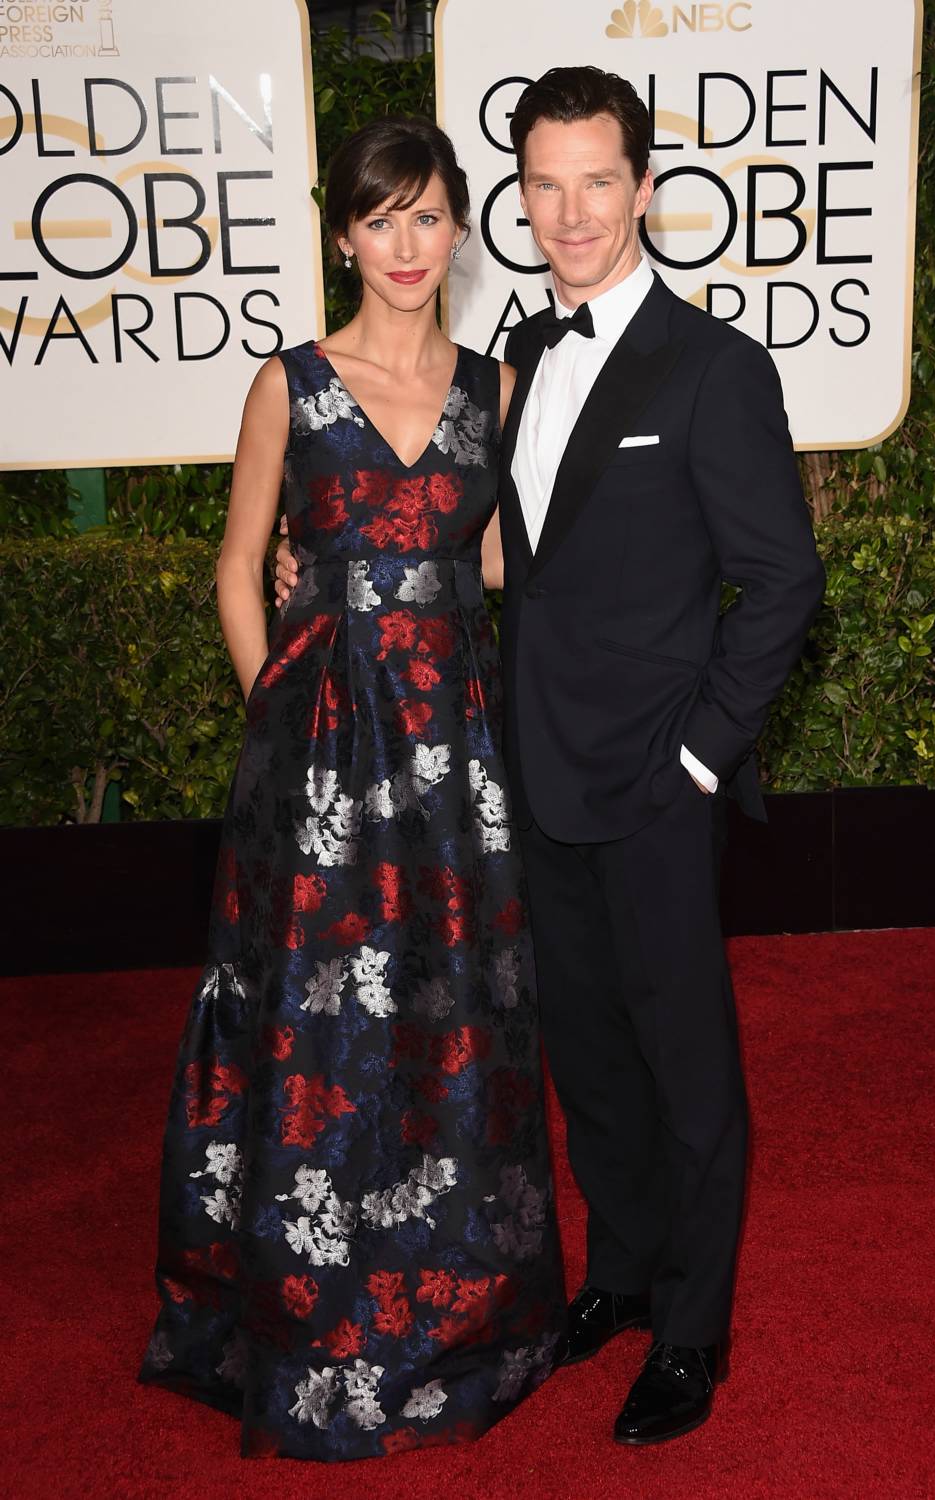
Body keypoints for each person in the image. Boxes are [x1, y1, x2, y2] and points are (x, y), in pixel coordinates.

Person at [277, 67, 826, 1448]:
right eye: (544, 184)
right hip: (525, 772)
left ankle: (691, 1331)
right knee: (585, 1051)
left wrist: (699, 759)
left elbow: (784, 582)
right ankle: (624, 1274)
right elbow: (487, 551)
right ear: (519, 198)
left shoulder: (713, 368)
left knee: (685, 1065)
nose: (570, 212)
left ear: (643, 189)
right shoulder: (519, 356)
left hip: (654, 785)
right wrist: (325, 568)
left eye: (597, 182)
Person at [140, 115, 566, 1463]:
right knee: (316, 1025)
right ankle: (307, 1311)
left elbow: (491, 558)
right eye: (381, 219)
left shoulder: (497, 388)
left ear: (459, 231)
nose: (406, 244)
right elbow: (236, 563)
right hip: (317, 763)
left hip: (454, 758)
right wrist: (277, 705)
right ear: (343, 236)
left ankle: (456, 1308)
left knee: (451, 1009)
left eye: (428, 216)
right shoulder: (292, 382)